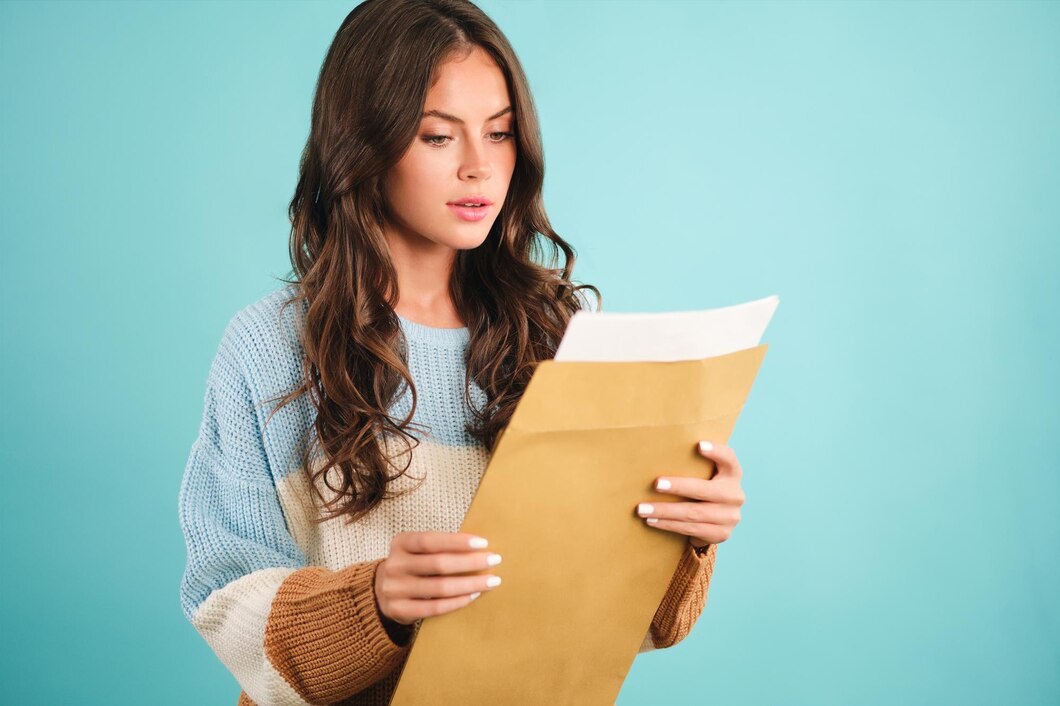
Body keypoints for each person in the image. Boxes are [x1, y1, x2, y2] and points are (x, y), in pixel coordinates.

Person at [177, 1, 746, 704]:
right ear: (364, 143)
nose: (481, 167)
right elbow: (226, 604)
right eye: (438, 137)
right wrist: (375, 602)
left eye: (501, 133)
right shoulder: (269, 347)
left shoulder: (566, 331)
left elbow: (635, 624)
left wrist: (688, 532)